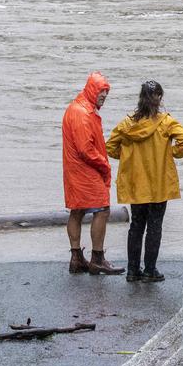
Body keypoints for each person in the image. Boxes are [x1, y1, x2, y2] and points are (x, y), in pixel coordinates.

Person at [106, 80, 183, 283]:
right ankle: (150, 270)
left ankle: (133, 270)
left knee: (136, 226)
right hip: (159, 184)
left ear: (140, 98)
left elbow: (110, 146)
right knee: (154, 227)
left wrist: (127, 158)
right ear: (159, 98)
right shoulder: (166, 123)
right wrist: (171, 154)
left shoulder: (127, 124)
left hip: (136, 185)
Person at [62, 71, 124, 275]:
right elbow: (85, 149)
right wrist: (104, 166)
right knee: (102, 210)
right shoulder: (82, 113)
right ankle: (97, 258)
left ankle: (76, 257)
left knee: (77, 210)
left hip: (74, 170)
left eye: (105, 94)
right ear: (91, 90)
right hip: (86, 171)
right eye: (101, 93)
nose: (103, 97)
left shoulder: (77, 108)